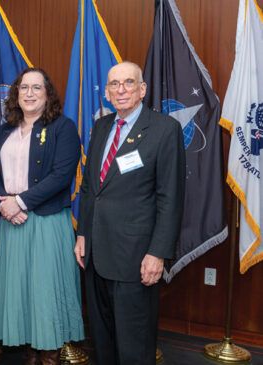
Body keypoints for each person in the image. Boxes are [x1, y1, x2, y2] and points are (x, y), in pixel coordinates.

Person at [74, 61, 185, 365]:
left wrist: (158, 253)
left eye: (128, 83)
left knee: (134, 343)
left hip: (136, 257)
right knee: (103, 339)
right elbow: (89, 189)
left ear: (142, 89)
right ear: (107, 92)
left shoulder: (164, 130)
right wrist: (82, 233)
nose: (120, 90)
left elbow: (170, 198)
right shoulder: (101, 126)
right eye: (114, 84)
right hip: (96, 253)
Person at [0, 68, 84, 365]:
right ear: (16, 94)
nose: (29, 93)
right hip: (12, 224)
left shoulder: (62, 127)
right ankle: (30, 355)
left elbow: (61, 176)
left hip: (46, 222)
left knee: (45, 296)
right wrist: (4, 204)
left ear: (47, 94)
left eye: (36, 88)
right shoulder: (3, 130)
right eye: (24, 88)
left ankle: (50, 357)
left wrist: (19, 202)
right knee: (20, 293)